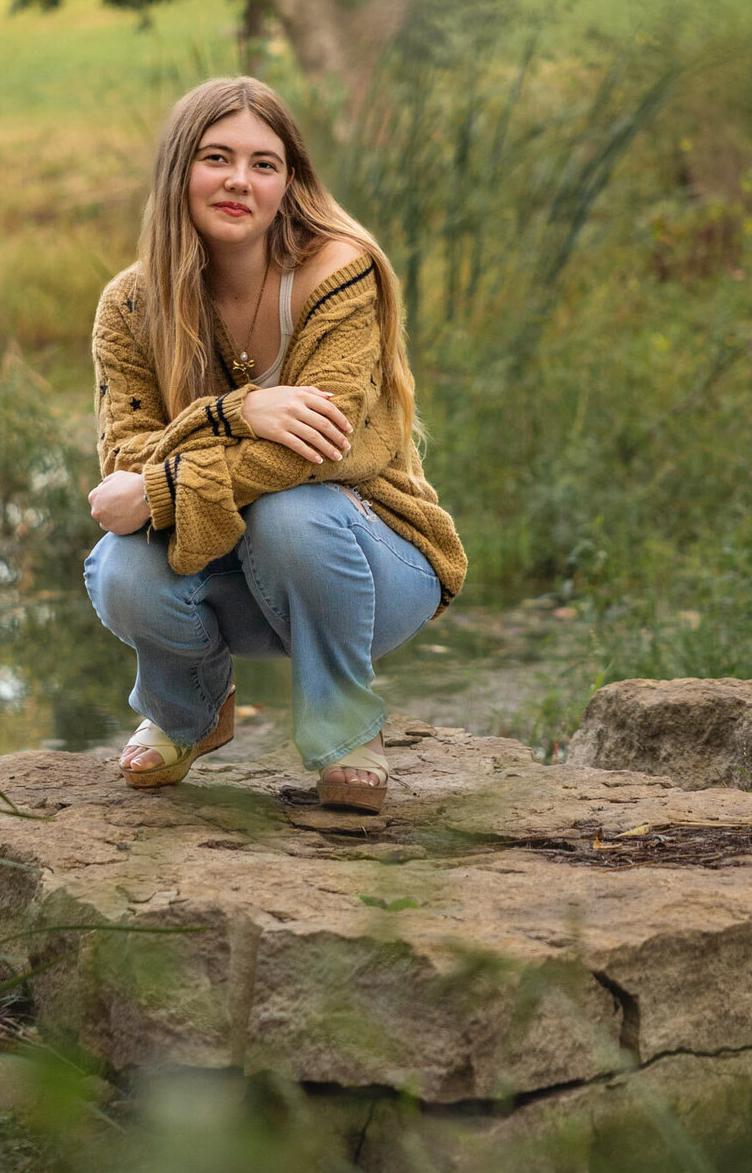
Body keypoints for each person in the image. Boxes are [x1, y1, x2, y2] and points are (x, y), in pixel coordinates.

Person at [84, 76, 466, 813]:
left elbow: (324, 451)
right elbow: (126, 465)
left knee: (292, 513)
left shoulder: (339, 271)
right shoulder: (130, 304)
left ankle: (345, 728)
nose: (239, 181)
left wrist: (169, 482)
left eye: (264, 164)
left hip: (369, 561)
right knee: (121, 566)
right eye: (215, 157)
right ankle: (187, 711)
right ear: (177, 171)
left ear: (289, 181)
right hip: (229, 579)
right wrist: (238, 412)